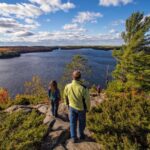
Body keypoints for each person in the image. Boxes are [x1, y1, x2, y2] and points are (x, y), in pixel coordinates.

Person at [63, 70, 90, 143]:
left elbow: (65, 96)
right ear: (80, 77)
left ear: (73, 77)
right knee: (82, 123)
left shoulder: (67, 86)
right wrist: (88, 108)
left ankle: (73, 138)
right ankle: (81, 135)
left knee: (72, 122)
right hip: (81, 109)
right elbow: (87, 100)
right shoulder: (83, 88)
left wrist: (66, 104)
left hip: (71, 107)